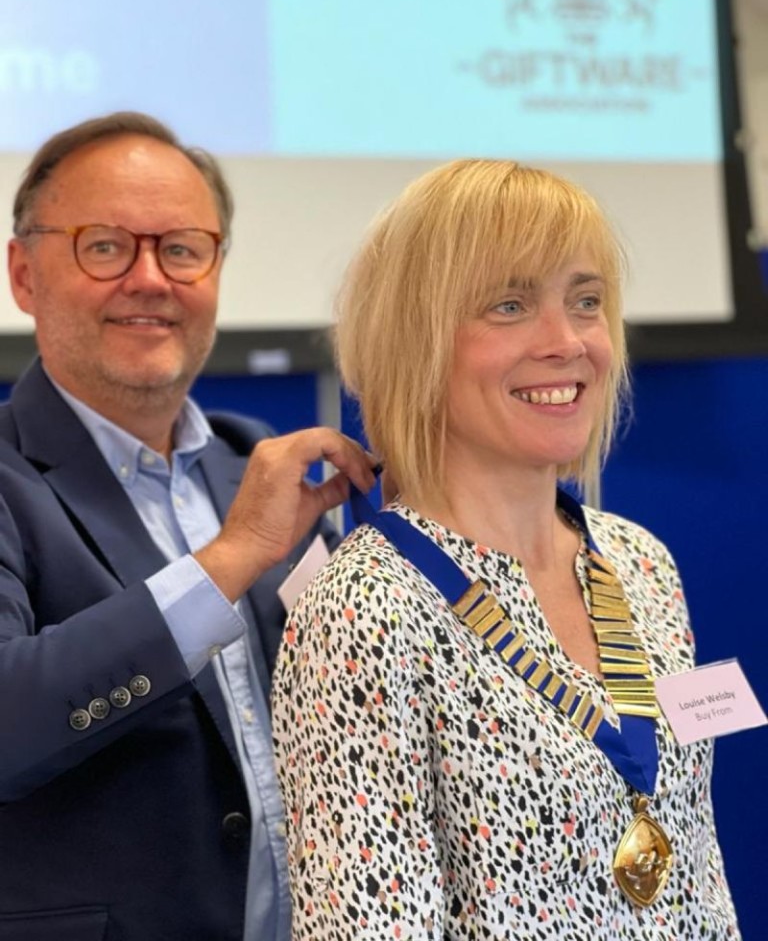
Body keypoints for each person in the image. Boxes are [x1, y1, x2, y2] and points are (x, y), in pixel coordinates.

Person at [273, 159, 741, 939]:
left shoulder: (640, 562)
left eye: (586, 302)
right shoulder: (366, 611)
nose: (567, 342)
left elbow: (696, 869)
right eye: (511, 305)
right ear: (413, 340)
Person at [0, 112, 376, 941]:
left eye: (181, 248)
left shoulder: (258, 464)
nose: (150, 279)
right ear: (24, 275)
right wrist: (228, 560)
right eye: (104, 246)